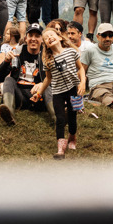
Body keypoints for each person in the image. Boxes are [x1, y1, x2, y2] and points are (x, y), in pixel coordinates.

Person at [30, 28, 85, 159]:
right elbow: (47, 79)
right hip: (58, 92)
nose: (49, 38)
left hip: (73, 89)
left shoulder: (71, 52)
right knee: (60, 119)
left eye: (51, 35)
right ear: (46, 45)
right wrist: (39, 93)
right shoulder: (48, 61)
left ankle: (72, 137)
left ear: (60, 37)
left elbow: (81, 68)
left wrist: (82, 82)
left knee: (72, 117)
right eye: (46, 38)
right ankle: (61, 148)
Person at [0, 23, 51, 124]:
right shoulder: (17, 52)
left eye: (37, 36)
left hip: (38, 95)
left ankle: (57, 117)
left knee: (47, 85)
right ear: (26, 38)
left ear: (42, 40)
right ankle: (9, 114)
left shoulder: (47, 55)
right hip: (19, 95)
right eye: (31, 35)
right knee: (9, 80)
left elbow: (55, 79)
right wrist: (6, 62)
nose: (33, 39)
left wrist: (43, 84)